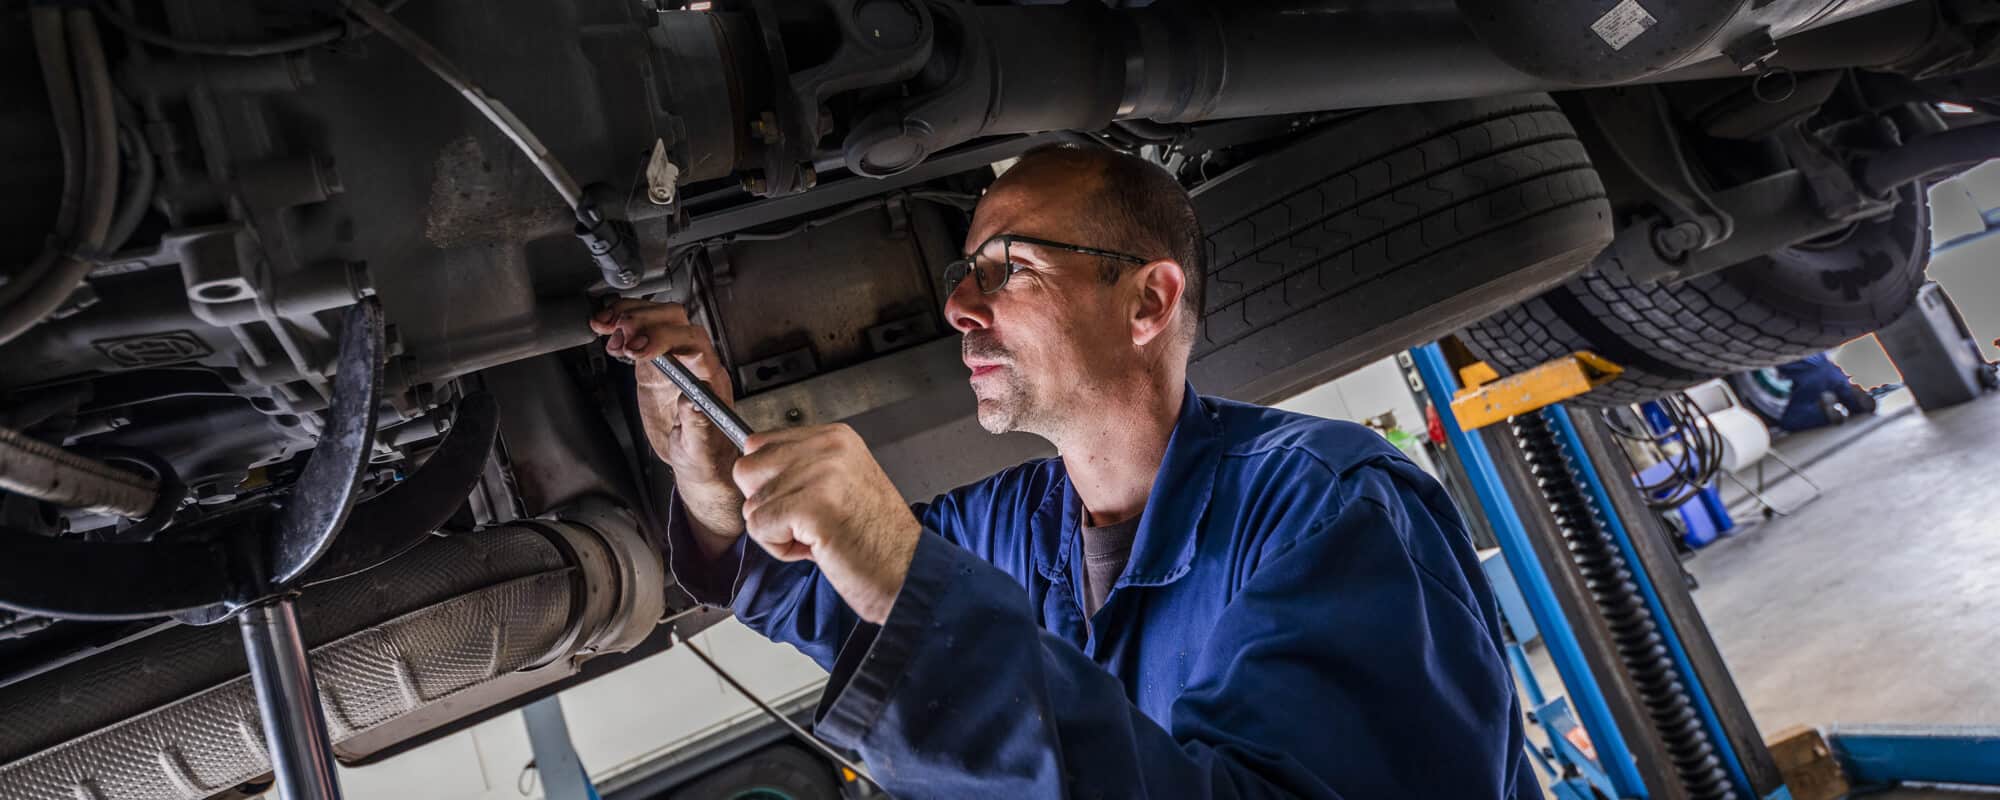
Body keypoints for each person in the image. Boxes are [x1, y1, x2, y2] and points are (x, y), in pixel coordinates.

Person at [589, 144, 1534, 798]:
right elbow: (819, 597)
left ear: (1147, 300)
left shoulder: (1325, 510)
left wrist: (904, 568)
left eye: (1005, 267)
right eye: (962, 271)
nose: (958, 305)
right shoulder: (1009, 521)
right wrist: (706, 477)